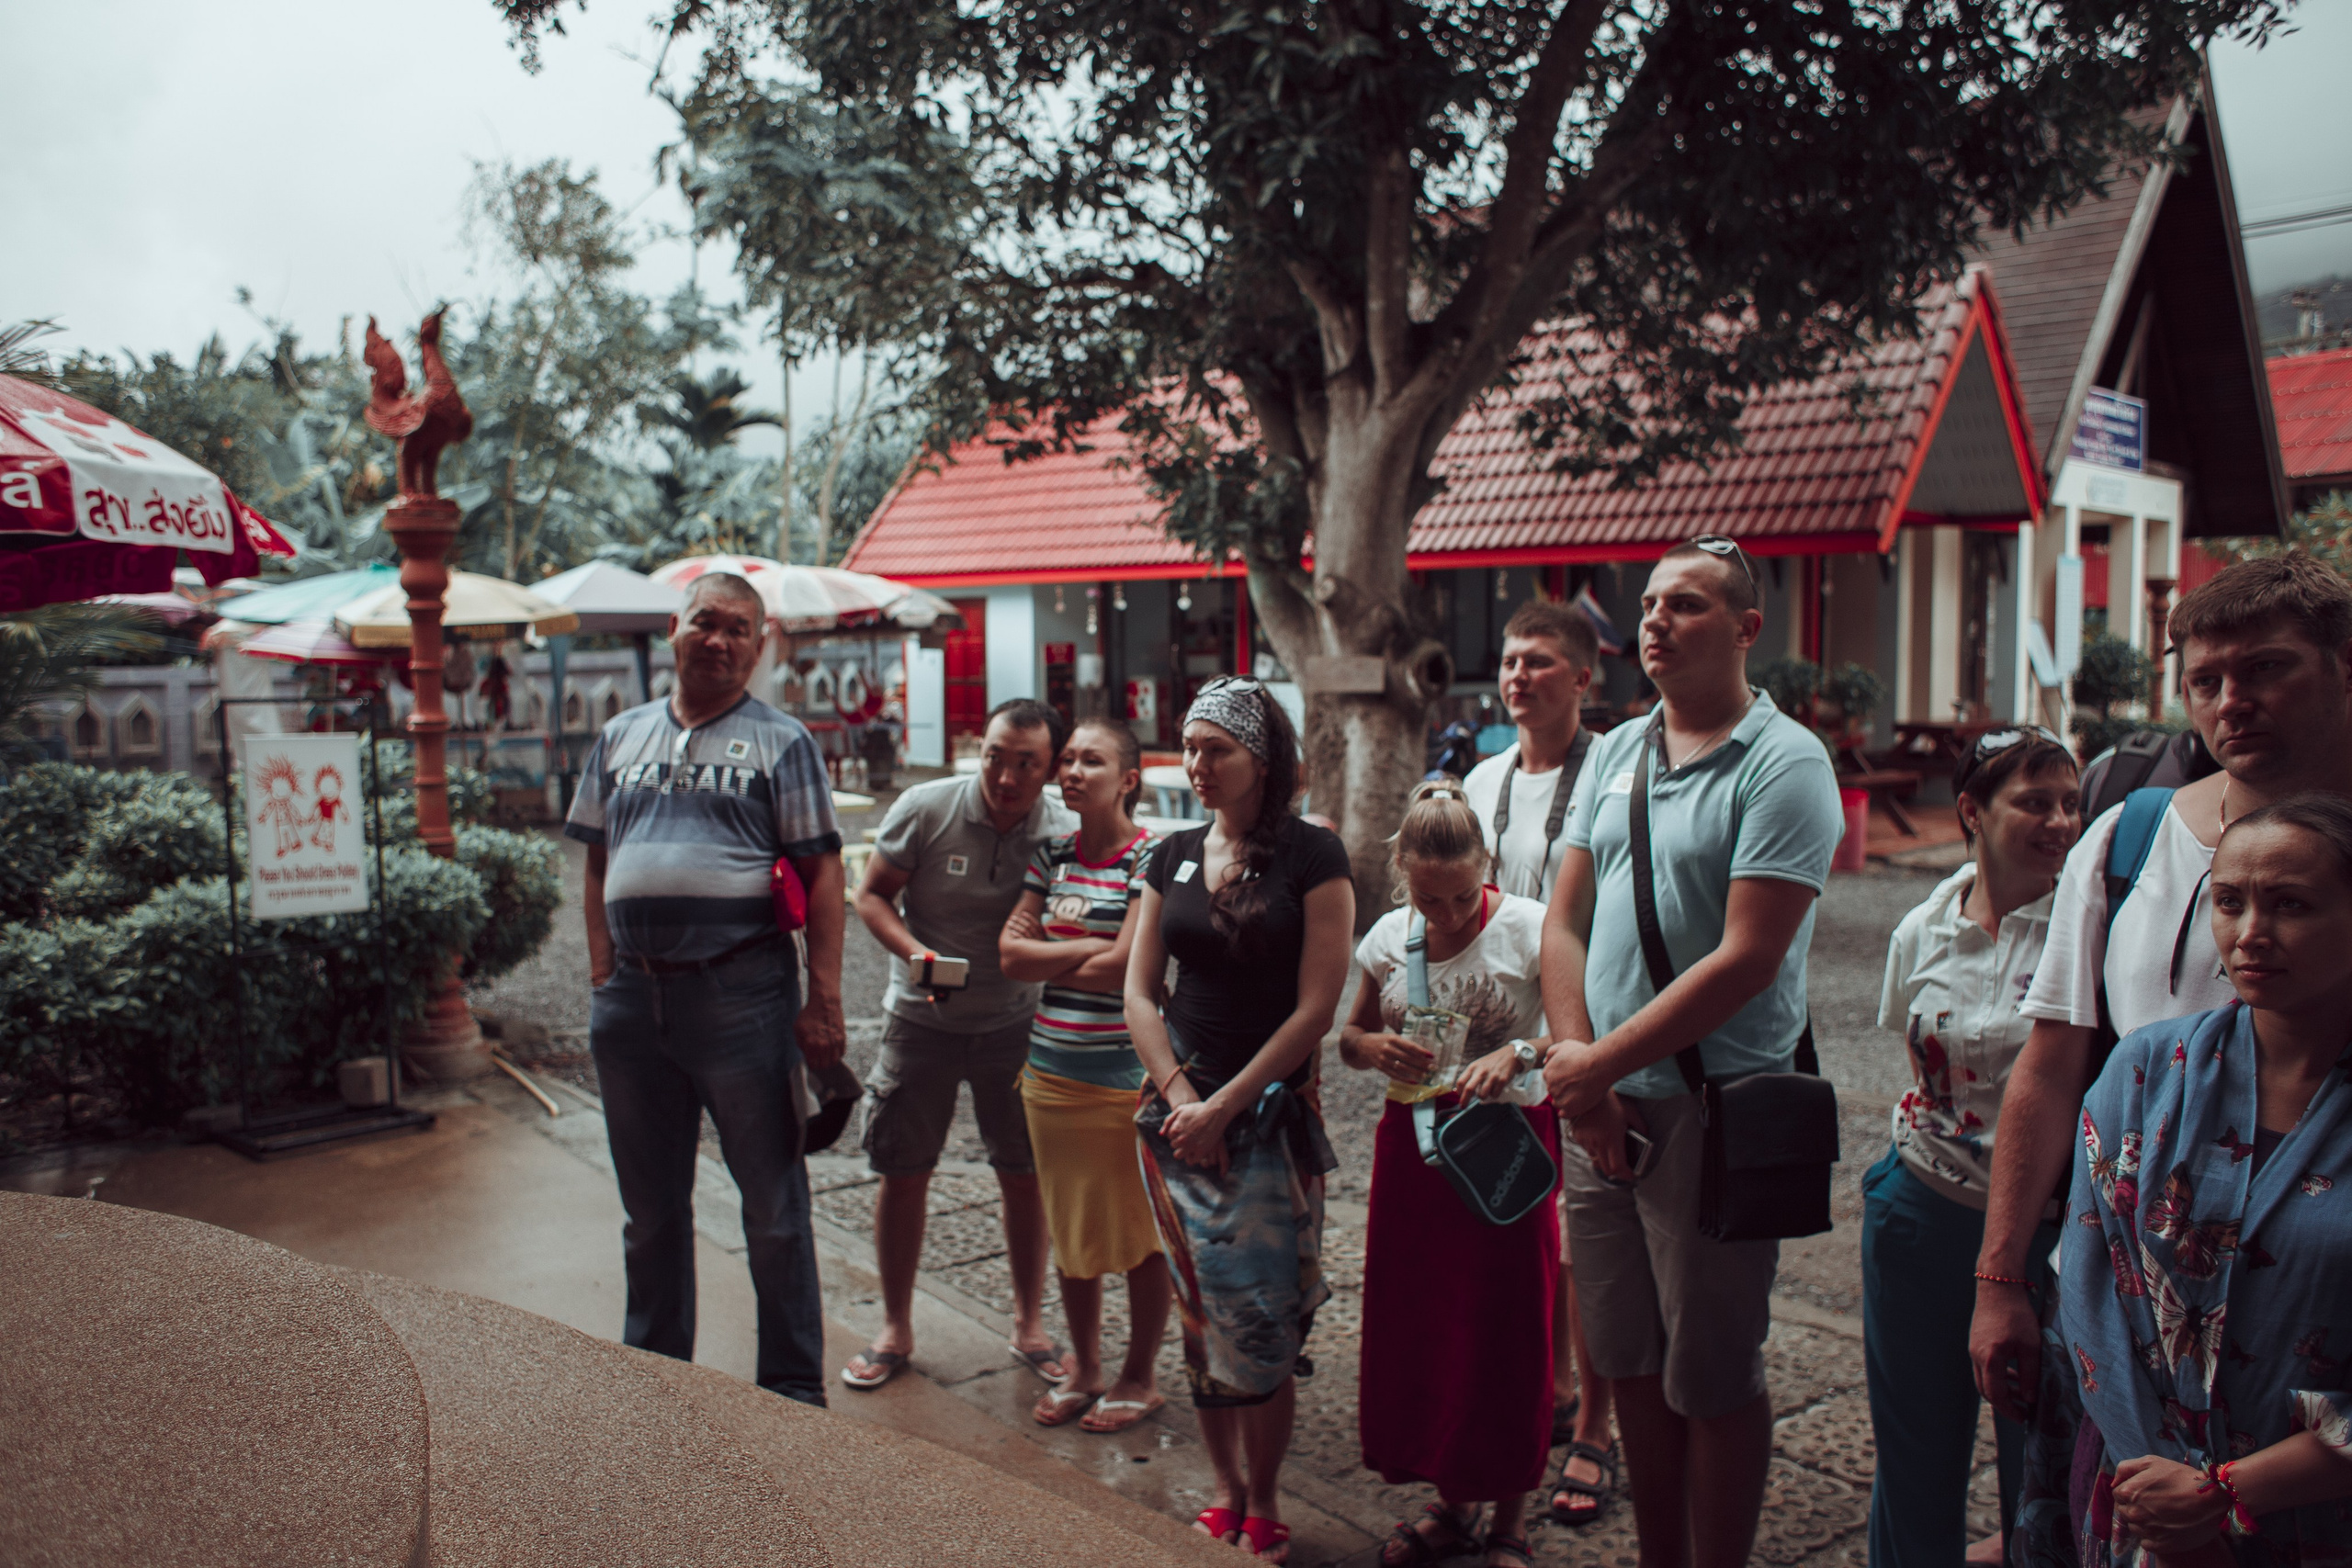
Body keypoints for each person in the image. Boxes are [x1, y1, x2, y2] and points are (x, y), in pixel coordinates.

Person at [1968, 556, 2352, 1563]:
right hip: (2118, 1347)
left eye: (2266, 669)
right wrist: (2002, 1276)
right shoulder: (2126, 840)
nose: (2232, 702)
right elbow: (2051, 1067)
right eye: (2204, 680)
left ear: (2342, 666)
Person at [1538, 535, 1846, 1568]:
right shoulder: (1618, 750)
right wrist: (1579, 1077)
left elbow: (1748, 958)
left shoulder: (1786, 762)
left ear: (1747, 628)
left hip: (1711, 1109)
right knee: (1624, 1359)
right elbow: (1562, 923)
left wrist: (1596, 1067)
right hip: (1602, 1102)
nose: (1658, 621)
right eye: (1653, 604)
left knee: (1712, 1373)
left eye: (1690, 605)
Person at [567, 571, 847, 1406]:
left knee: (771, 1205)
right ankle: (656, 1379)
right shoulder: (619, 735)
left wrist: (823, 996)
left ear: (759, 647)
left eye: (737, 628)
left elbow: (822, 871)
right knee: (649, 1211)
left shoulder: (782, 740)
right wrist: (598, 966)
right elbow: (595, 858)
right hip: (630, 1005)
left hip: (743, 999)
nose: (719, 640)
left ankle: (792, 1389)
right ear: (674, 630)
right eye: (705, 623)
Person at [2054, 795, 2352, 1568]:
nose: (2251, 932)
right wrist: (2169, 1496)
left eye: (2291, 904)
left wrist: (2228, 1490)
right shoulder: (2149, 1072)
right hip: (2144, 1501)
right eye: (2230, 900)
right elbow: (2091, 1290)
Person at [1126, 676, 1355, 1564]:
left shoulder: (1313, 855)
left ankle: (1264, 1496)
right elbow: (1140, 996)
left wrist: (1226, 1105)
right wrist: (1186, 1102)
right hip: (1175, 1123)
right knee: (1200, 1312)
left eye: (1215, 748)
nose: (1196, 764)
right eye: (1189, 747)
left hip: (1266, 1118)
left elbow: (1316, 1008)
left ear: (1262, 757)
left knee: (1259, 1316)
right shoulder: (1172, 851)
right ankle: (1223, 1490)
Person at [1866, 728, 2082, 1568]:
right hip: (1920, 1208)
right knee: (1915, 1457)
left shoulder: (2088, 926)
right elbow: (1911, 1049)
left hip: (2050, 1229)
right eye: (2034, 802)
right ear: (1971, 811)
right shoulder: (1924, 925)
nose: (2059, 821)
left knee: (2044, 1469)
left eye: (2070, 802)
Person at [1342, 780, 1560, 1568]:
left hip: (1508, 1146)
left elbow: (1579, 1035)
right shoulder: (1387, 936)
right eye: (1429, 899)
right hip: (1415, 1148)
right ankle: (1450, 1499)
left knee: (1511, 1327)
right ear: (1403, 873)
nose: (1449, 915)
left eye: (1464, 895)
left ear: (1487, 865)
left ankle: (1510, 1519)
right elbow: (1348, 1035)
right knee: (1431, 1328)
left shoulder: (1533, 929)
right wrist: (1372, 1048)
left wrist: (1518, 1051)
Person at [843, 699, 1077, 1391]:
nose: (1005, 776)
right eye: (995, 757)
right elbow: (872, 896)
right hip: (920, 1021)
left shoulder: (1063, 829)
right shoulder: (926, 806)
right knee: (904, 1169)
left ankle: (1029, 1321)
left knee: (1024, 1172)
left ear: (1050, 767)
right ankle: (894, 1326)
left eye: (1025, 763)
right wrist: (916, 954)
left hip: (1017, 1023)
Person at [1461, 595, 1618, 1526]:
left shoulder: (1612, 774)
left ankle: (1597, 1425)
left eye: (1540, 663)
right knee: (1528, 1229)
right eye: (1511, 660)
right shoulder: (1482, 779)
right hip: (1499, 1036)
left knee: (1588, 1239)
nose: (1518, 676)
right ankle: (1551, 1391)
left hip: (1587, 1023)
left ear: (1582, 679)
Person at [998, 717, 1171, 1434]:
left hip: (1121, 1079)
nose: (1071, 771)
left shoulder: (1149, 857)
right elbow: (1008, 955)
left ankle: (1138, 1372)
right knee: (1067, 1230)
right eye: (1066, 759)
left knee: (1140, 1235)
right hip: (1050, 1076)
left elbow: (1129, 968)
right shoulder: (1051, 853)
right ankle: (1087, 1365)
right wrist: (1092, 946)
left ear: (1128, 778)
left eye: (1090, 761)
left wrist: (1062, 948)